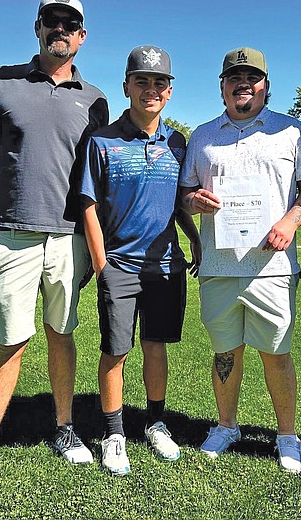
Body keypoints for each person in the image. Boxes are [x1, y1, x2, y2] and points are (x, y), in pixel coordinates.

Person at [0, 0, 109, 492]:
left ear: (82, 36)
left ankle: (64, 429)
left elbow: (98, 181)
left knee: (62, 334)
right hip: (14, 235)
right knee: (12, 339)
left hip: (69, 240)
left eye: (70, 24)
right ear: (38, 27)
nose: (60, 29)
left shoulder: (96, 99)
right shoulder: (1, 81)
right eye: (52, 21)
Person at [179, 47, 301, 474]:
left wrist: (291, 222)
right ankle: (226, 426)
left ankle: (287, 435)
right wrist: (194, 201)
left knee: (276, 352)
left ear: (266, 86)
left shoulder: (292, 132)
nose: (244, 83)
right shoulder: (203, 135)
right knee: (225, 351)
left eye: (253, 77)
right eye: (234, 77)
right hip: (219, 267)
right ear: (222, 86)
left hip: (271, 267)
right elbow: (184, 196)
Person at [81, 46, 201, 476]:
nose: (151, 89)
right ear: (127, 86)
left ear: (169, 91)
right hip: (120, 264)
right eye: (142, 81)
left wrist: (195, 241)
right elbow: (88, 205)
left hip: (166, 265)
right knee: (115, 351)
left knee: (156, 347)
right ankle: (114, 433)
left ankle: (155, 422)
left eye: (159, 83)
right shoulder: (103, 141)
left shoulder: (177, 142)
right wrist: (101, 263)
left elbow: (178, 204)